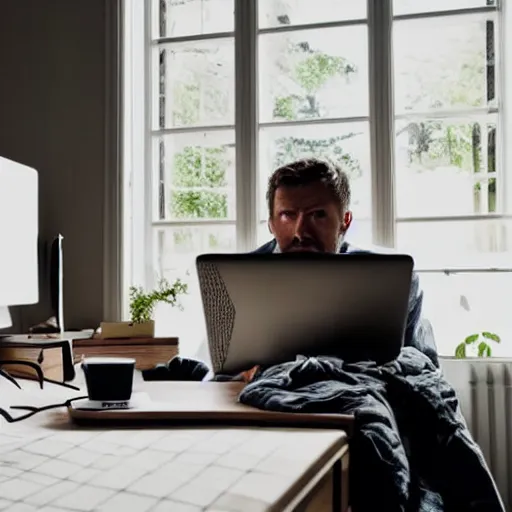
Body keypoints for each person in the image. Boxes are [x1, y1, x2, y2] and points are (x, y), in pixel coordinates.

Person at [254, 158, 439, 366]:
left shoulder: (390, 280)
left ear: (345, 221)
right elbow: (224, 371)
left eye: (318, 215)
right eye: (287, 215)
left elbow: (424, 371)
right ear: (271, 223)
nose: (300, 232)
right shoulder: (242, 279)